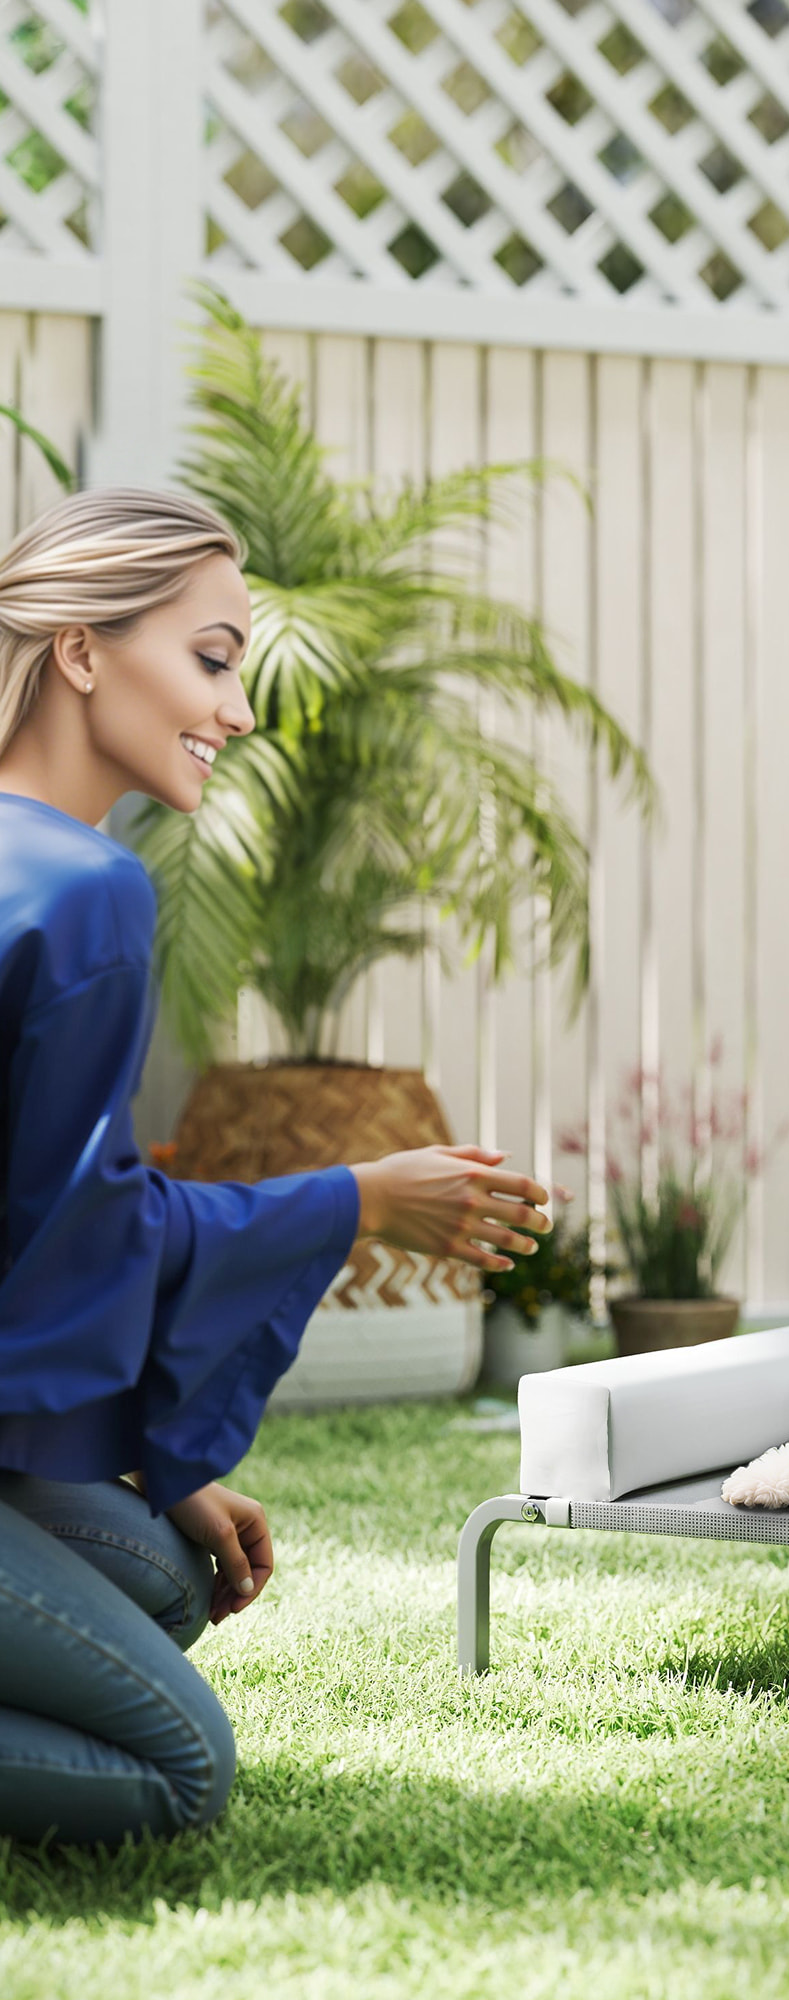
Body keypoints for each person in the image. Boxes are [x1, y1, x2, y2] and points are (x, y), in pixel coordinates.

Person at [0, 488, 557, 1846]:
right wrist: (363, 1198)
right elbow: (81, 1230)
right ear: (80, 652)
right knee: (180, 1775)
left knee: (163, 1578)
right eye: (212, 657)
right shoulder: (84, 893)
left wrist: (164, 1468)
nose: (238, 710)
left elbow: (32, 1239)